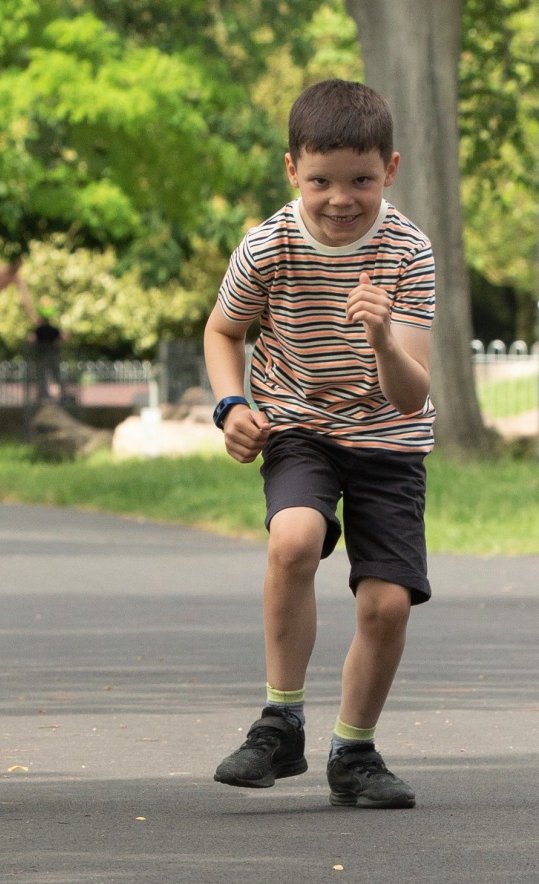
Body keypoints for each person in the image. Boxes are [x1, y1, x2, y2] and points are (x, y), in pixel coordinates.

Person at [203, 79, 435, 809]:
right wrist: (230, 403)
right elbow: (223, 331)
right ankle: (280, 721)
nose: (341, 199)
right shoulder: (267, 245)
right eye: (321, 181)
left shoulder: (409, 252)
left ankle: (354, 751)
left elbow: (411, 393)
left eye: (361, 180)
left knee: (387, 605)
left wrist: (379, 334)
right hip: (299, 422)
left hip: (389, 439)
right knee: (294, 540)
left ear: (389, 171)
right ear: (291, 170)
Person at [26, 299, 67, 402]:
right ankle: (62, 394)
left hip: (42, 356)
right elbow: (62, 337)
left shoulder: (39, 330)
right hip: (52, 355)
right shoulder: (53, 329)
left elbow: (31, 339)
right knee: (56, 375)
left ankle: (44, 395)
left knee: (42, 376)